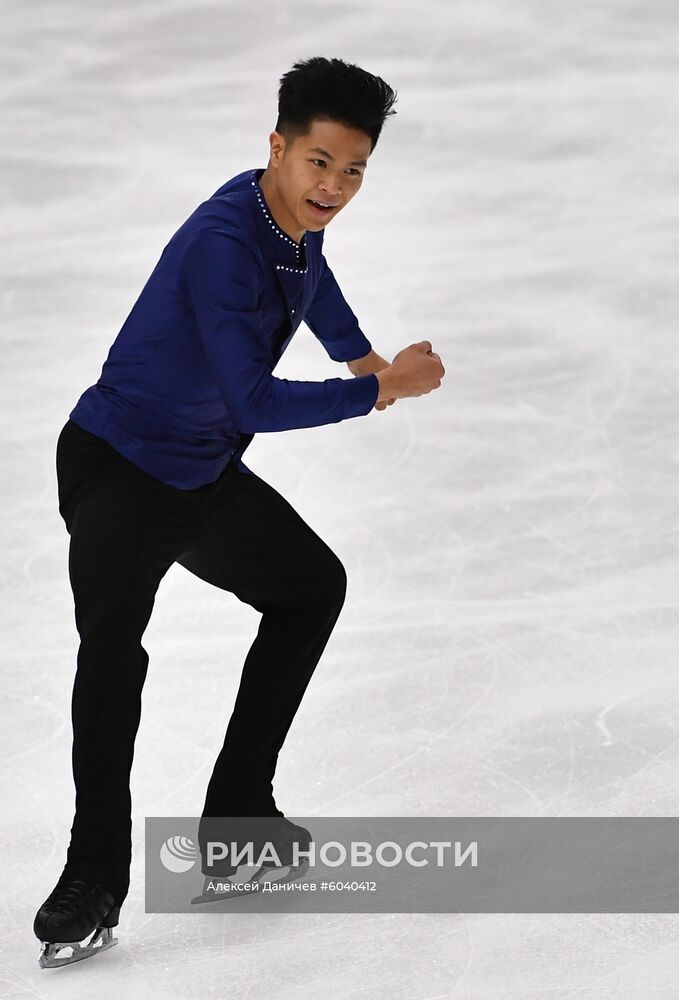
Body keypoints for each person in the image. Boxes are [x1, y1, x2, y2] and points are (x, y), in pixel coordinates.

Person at [33, 54, 445, 968]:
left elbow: (312, 281)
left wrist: (364, 360)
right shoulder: (227, 242)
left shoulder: (285, 215)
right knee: (112, 653)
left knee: (308, 589)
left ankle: (235, 820)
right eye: (319, 164)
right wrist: (381, 394)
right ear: (277, 148)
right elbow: (254, 400)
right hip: (118, 470)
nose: (333, 188)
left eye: (353, 171)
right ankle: (90, 877)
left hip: (197, 469)